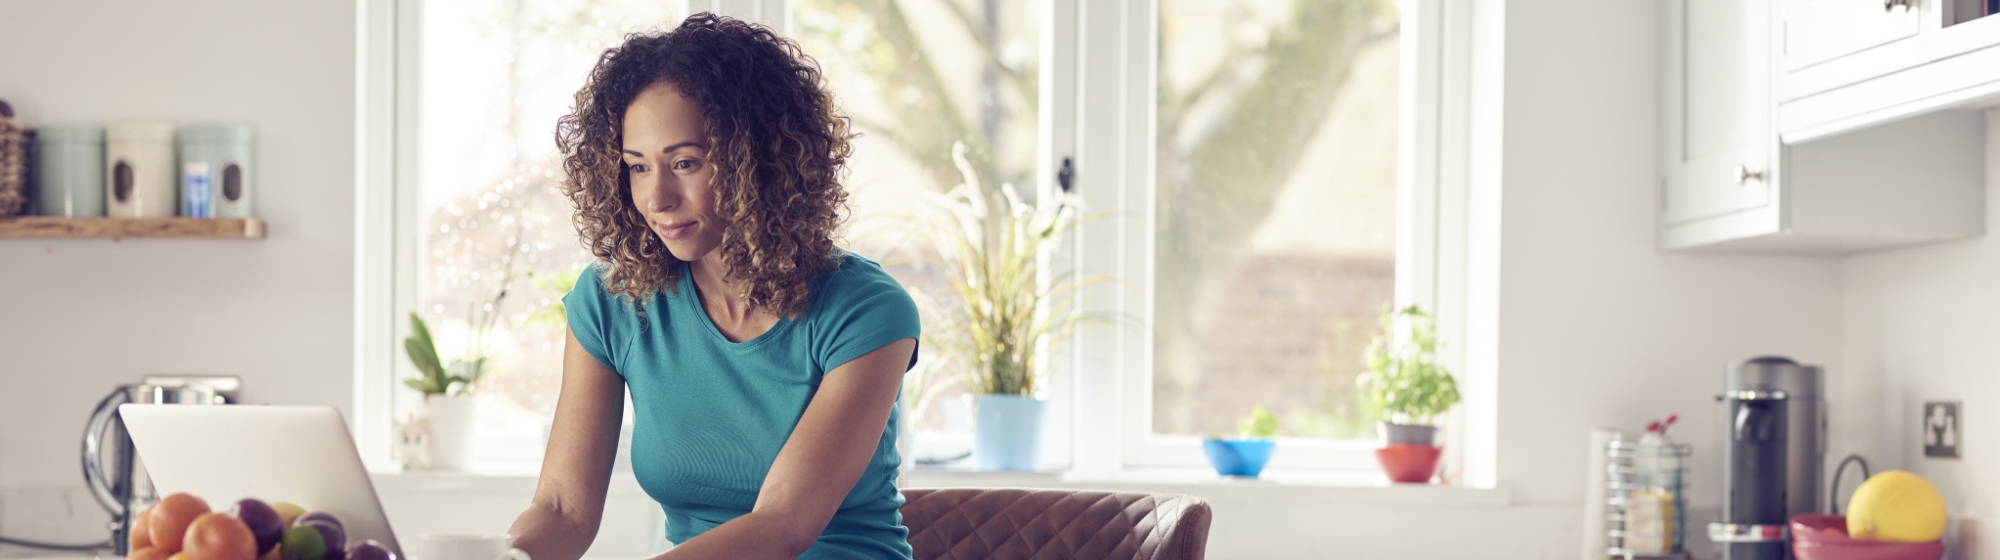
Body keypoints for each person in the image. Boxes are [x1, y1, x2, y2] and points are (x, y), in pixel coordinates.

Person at [507, 13, 920, 560]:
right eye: (636, 167)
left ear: (762, 160)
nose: (657, 198)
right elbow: (562, 510)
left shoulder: (866, 312)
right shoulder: (612, 302)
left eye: (684, 162)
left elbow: (781, 525)